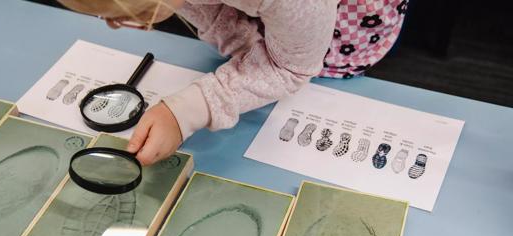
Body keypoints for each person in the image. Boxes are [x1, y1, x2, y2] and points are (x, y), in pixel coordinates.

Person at [58, 0, 409, 165]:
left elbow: (293, 66)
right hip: (282, 15)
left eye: (127, 15)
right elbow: (210, 13)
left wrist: (191, 109)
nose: (112, 26)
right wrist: (246, 55)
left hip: (332, 28)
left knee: (323, 72)